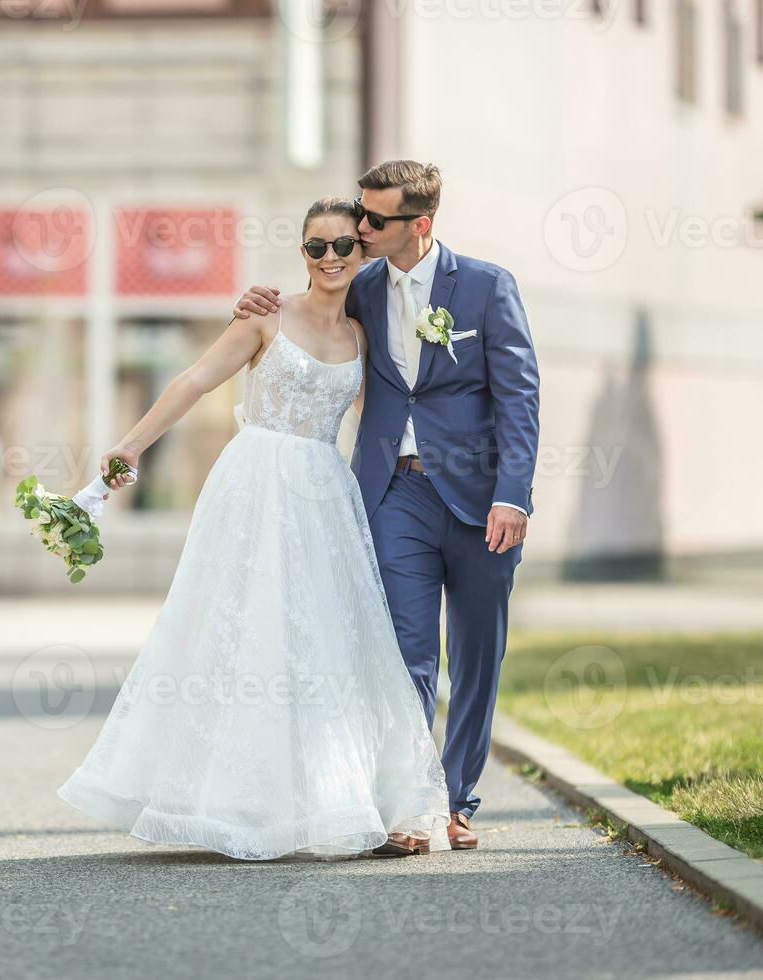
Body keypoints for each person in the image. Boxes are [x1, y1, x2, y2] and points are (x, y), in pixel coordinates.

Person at [56, 197, 449, 860]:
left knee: (325, 636)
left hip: (325, 492)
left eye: (341, 247)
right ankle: (234, 802)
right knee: (243, 630)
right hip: (256, 483)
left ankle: (342, 800)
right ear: (302, 254)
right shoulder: (266, 317)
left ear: (362, 253)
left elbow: (401, 410)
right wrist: (132, 444)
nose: (328, 258)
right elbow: (197, 379)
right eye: (314, 247)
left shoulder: (365, 335)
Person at [231, 161, 541, 851]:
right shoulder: (361, 286)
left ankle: (458, 799)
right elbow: (305, 316)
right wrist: (260, 303)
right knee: (405, 649)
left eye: (374, 221)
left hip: (480, 496)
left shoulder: (489, 288)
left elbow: (520, 398)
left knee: (477, 651)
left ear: (418, 225)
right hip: (392, 489)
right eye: (359, 216)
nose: (360, 231)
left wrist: (513, 496)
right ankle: (410, 802)